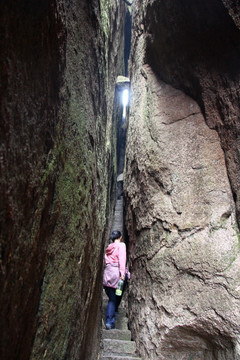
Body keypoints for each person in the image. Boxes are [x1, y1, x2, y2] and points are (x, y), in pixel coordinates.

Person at [103, 230, 126, 330]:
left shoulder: (109, 247)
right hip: (116, 273)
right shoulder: (121, 246)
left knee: (111, 297)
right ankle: (109, 320)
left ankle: (113, 313)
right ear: (120, 237)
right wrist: (122, 273)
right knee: (114, 298)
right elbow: (122, 259)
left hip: (107, 274)